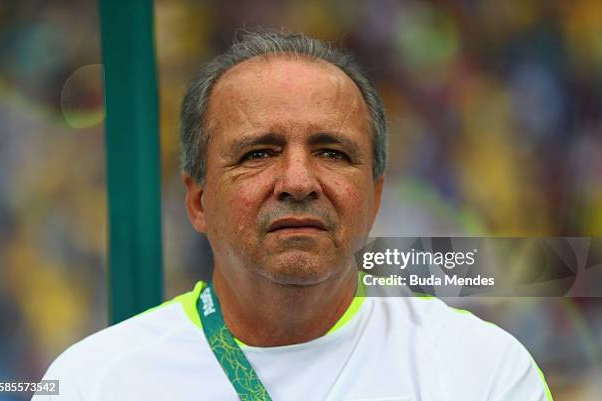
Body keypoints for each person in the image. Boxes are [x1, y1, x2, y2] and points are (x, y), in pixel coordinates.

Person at [33, 30, 553, 401]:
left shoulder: (479, 372)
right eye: (259, 153)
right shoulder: (94, 383)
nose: (299, 182)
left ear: (373, 199)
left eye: (332, 153)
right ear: (197, 201)